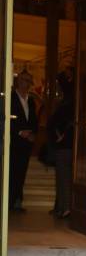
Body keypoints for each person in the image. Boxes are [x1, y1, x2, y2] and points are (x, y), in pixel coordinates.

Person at [9, 70, 38, 212]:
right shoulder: (10, 97)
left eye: (28, 81)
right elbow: (8, 118)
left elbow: (33, 120)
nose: (26, 84)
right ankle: (9, 203)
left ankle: (17, 202)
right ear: (18, 81)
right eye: (24, 80)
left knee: (22, 173)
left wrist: (33, 133)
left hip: (26, 144)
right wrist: (20, 132)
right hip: (13, 141)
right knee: (12, 173)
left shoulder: (31, 100)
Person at [47, 70, 75, 218]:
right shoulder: (72, 101)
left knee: (63, 177)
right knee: (63, 177)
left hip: (65, 145)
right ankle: (62, 207)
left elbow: (58, 122)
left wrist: (60, 135)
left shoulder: (68, 102)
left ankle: (65, 208)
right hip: (67, 145)